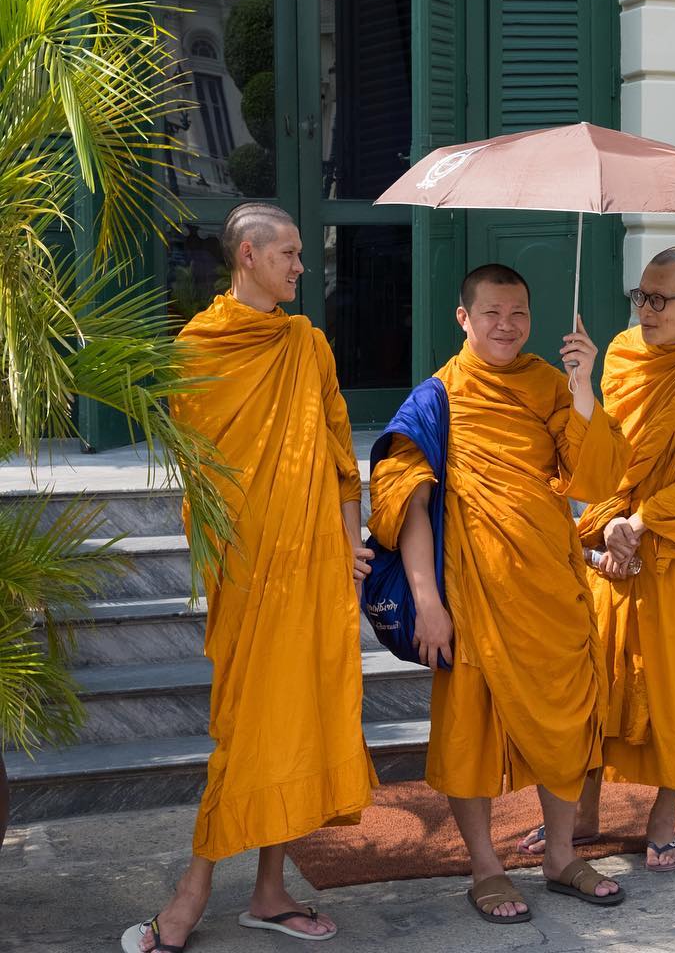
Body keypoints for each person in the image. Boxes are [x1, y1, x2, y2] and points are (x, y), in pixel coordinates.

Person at [121, 203, 376, 952]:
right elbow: (199, 472)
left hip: (312, 564)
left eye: (299, 253)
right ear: (249, 257)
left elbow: (340, 458)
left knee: (290, 723)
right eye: (289, 253)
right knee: (246, 726)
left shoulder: (309, 345)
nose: (302, 265)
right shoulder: (197, 349)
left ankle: (267, 890)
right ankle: (193, 890)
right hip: (246, 566)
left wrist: (350, 546)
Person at [366, 264, 630, 923]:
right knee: (471, 733)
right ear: (464, 318)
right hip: (472, 595)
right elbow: (406, 506)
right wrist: (428, 603)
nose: (507, 326)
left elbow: (593, 480)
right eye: (492, 313)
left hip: (549, 587)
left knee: (570, 718)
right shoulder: (436, 399)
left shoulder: (549, 384)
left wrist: (583, 388)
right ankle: (485, 868)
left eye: (518, 313)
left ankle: (560, 856)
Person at [518, 246, 675, 873]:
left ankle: (663, 819)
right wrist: (581, 386)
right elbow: (607, 452)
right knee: (597, 677)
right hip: (613, 536)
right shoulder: (622, 354)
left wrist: (641, 522)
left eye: (659, 300)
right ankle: (582, 814)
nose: (645, 310)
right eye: (640, 296)